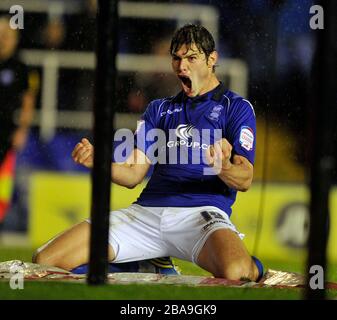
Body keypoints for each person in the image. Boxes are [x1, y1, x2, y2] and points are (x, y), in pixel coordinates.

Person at [33, 24, 263, 281]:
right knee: (46, 261)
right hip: (147, 214)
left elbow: (245, 178)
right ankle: (147, 263)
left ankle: (252, 265)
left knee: (237, 272)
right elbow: (133, 175)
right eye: (176, 58)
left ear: (212, 59)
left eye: (191, 58)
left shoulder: (236, 107)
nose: (182, 66)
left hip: (201, 214)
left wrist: (224, 167)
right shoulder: (158, 109)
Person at [0, 16, 36, 229]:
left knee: (4, 180)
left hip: (6, 132)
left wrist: (22, 129)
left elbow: (28, 100)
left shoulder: (20, 67)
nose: (3, 39)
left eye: (7, 35)